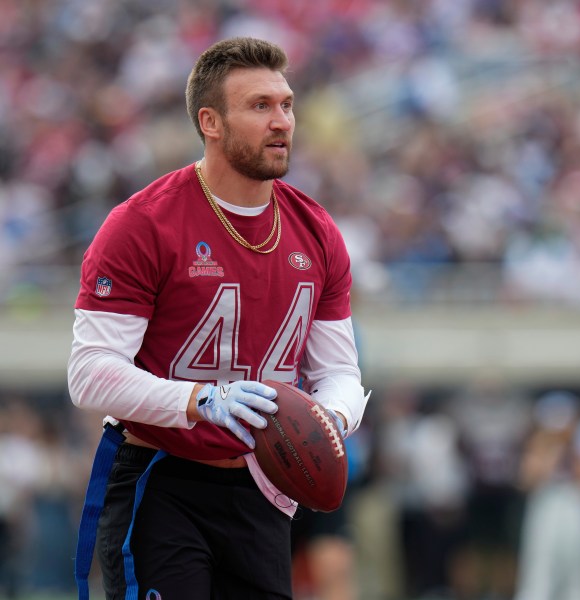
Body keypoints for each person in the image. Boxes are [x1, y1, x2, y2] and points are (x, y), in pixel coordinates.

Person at [67, 36, 368, 600]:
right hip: (161, 473)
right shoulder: (143, 223)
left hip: (263, 483)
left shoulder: (318, 230)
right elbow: (89, 372)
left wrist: (324, 420)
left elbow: (340, 374)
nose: (281, 121)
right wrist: (199, 400)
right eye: (260, 106)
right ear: (210, 121)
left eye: (287, 104)